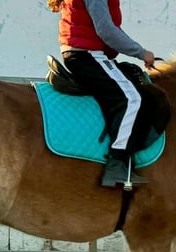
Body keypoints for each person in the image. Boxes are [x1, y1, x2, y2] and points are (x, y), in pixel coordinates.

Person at [47, 0, 156, 188]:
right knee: (132, 99)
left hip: (81, 53)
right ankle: (117, 164)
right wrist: (141, 53)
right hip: (88, 55)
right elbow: (106, 31)